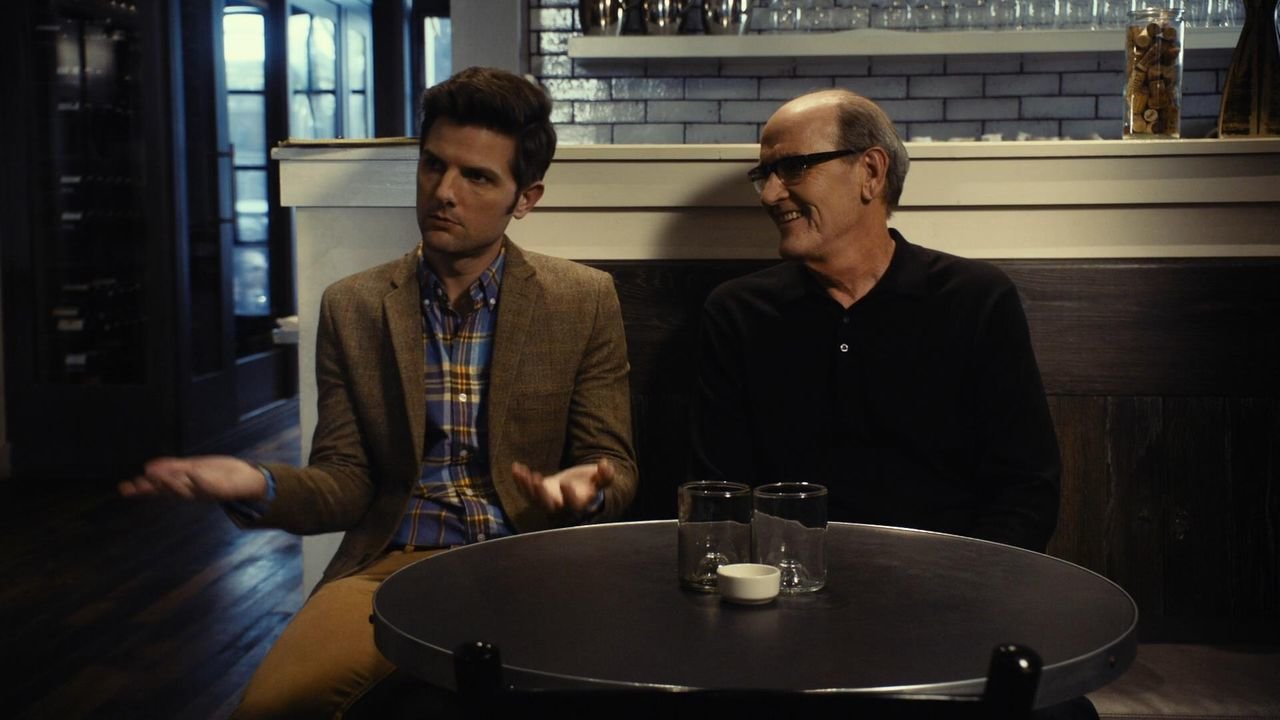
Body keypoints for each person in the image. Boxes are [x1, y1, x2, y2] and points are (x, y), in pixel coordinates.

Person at [119, 66, 637, 718]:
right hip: (391, 565)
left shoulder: (583, 299)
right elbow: (345, 483)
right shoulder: (354, 305)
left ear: (525, 198)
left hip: (530, 560)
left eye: (477, 177)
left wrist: (586, 486)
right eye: (433, 165)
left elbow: (615, 465)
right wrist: (257, 483)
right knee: (269, 709)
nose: (443, 192)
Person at [691, 88, 1060, 554]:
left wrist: (967, 583)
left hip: (948, 581)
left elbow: (1027, 490)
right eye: (764, 174)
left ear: (870, 172)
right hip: (785, 580)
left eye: (794, 167)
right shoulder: (737, 312)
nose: (770, 194)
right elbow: (720, 496)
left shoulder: (976, 299)